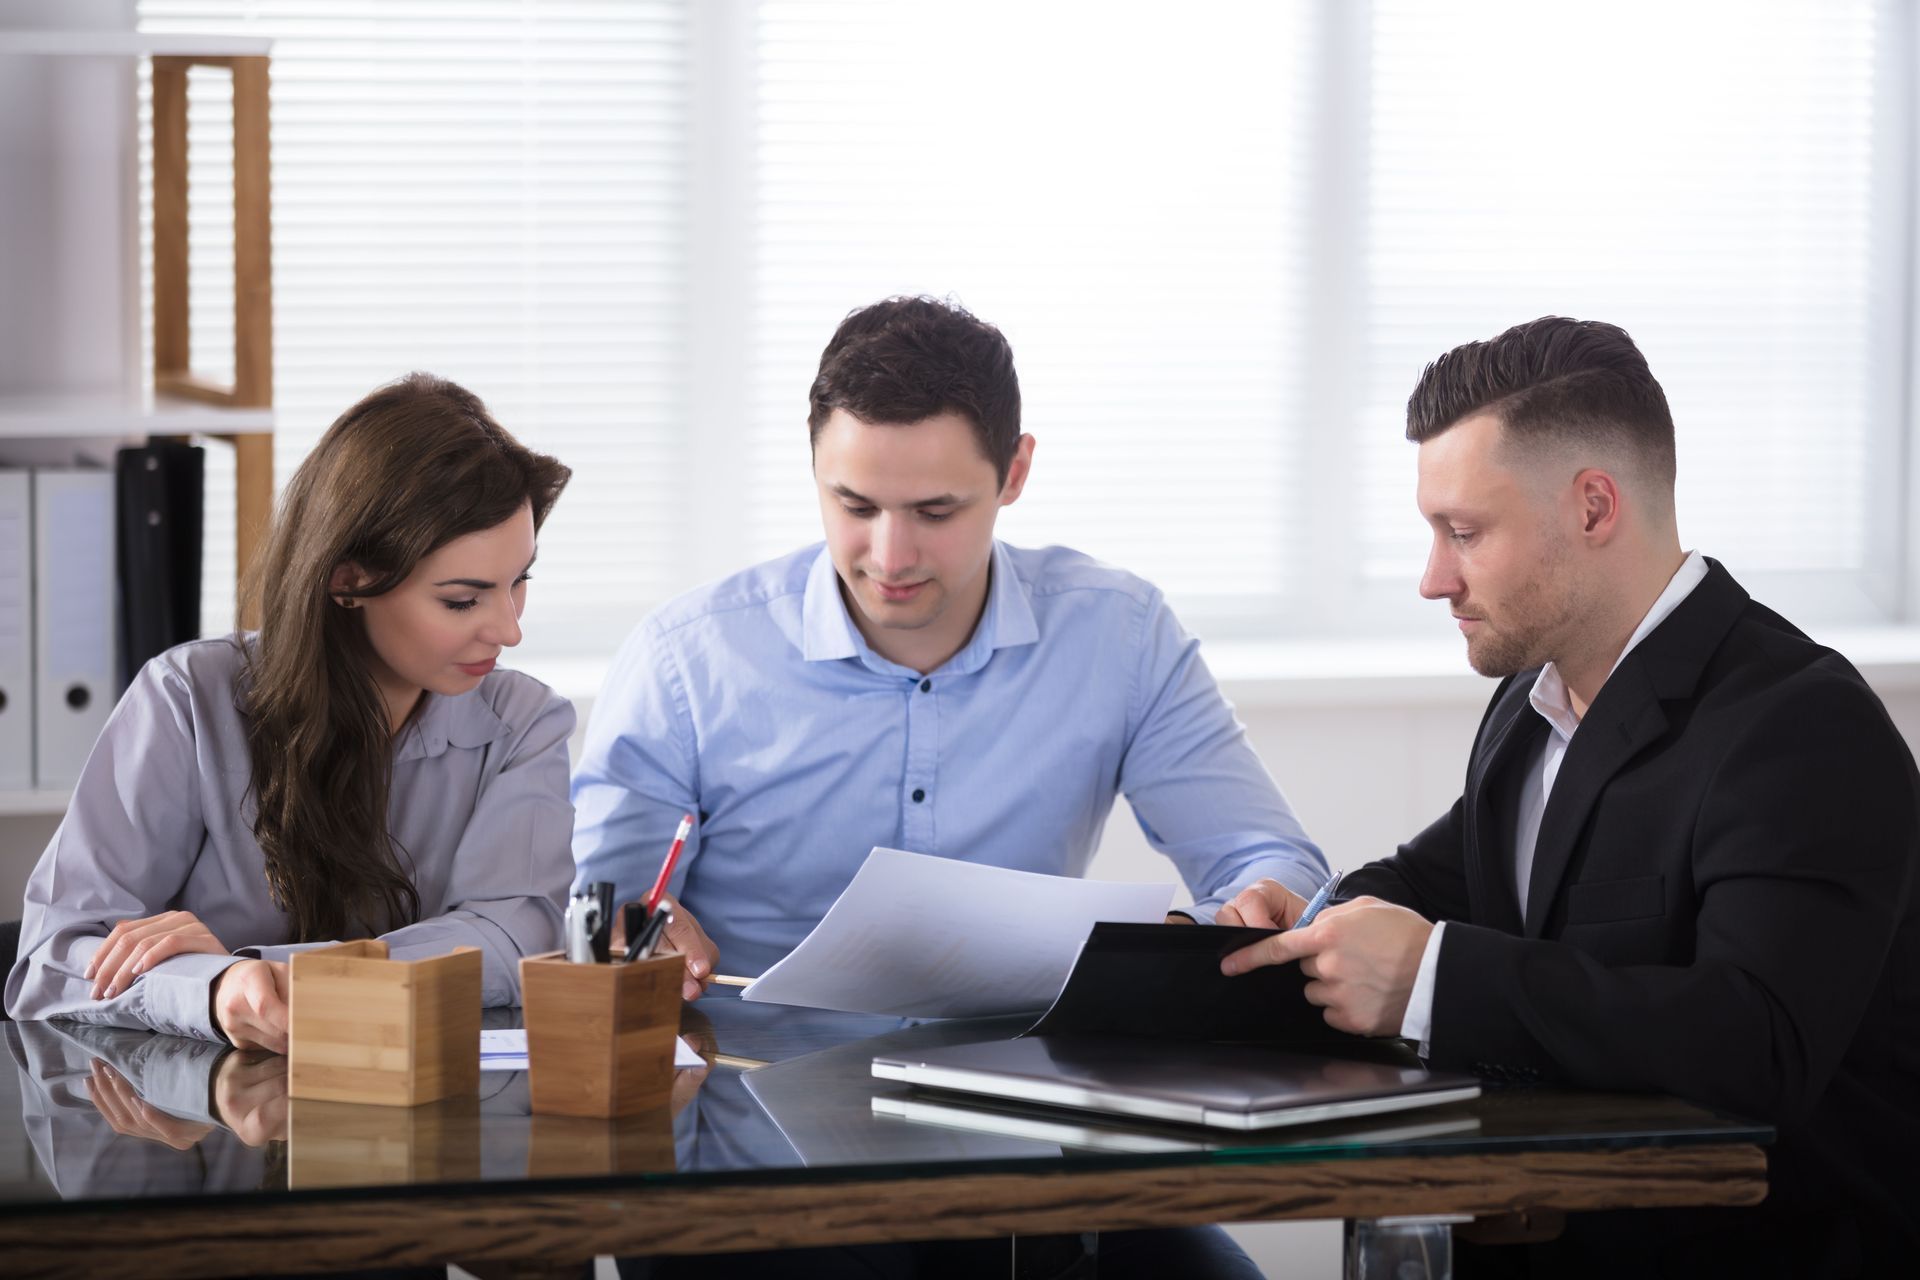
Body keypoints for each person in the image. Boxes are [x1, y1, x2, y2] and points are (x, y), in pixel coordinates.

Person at [1217, 317, 1920, 1276]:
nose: (1432, 581)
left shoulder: (1802, 727)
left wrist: (1431, 979)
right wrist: (1304, 924)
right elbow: (1437, 878)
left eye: (1464, 533)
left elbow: (1758, 1048)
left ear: (1594, 508)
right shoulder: (1533, 698)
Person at [572, 295, 1328, 998]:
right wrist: (636, 934)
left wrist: (1199, 929)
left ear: (1016, 473)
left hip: (1016, 1091)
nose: (890, 556)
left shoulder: (1118, 636)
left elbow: (1273, 865)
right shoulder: (687, 661)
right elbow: (598, 919)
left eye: (936, 510)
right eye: (855, 505)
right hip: (739, 1090)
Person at [5, 373, 577, 1053]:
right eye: (463, 600)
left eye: (520, 584)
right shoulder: (186, 699)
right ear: (348, 581)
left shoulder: (525, 723)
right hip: (200, 1128)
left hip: (423, 1118)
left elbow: (514, 937)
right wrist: (214, 993)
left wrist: (264, 972)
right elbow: (51, 961)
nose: (508, 631)